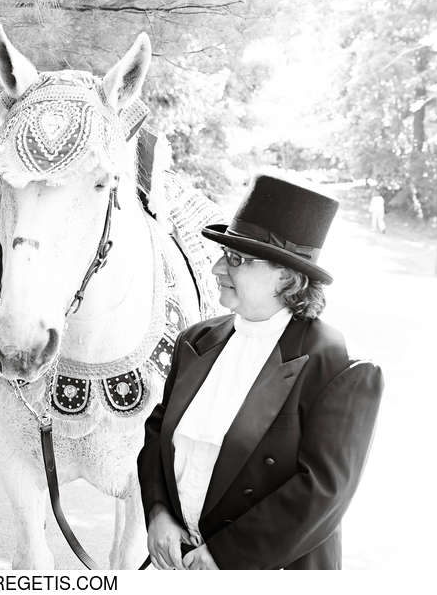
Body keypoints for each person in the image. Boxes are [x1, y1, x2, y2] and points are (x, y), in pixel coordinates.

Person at [137, 174, 383, 570]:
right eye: (223, 255)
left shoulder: (339, 368)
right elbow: (157, 433)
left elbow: (322, 492)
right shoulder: (195, 341)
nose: (217, 267)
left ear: (287, 277)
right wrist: (158, 512)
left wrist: (225, 556)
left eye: (237, 260)